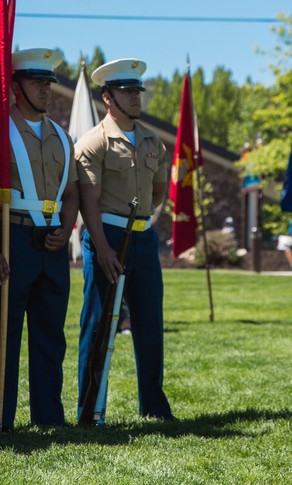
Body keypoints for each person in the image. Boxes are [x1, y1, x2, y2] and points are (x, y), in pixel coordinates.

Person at [0, 48, 79, 428]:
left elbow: (72, 195)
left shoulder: (63, 138)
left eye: (48, 83)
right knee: (4, 334)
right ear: (15, 87)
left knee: (51, 334)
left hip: (52, 244)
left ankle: (49, 417)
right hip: (11, 238)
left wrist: (66, 231)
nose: (45, 90)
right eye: (37, 82)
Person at [75, 57, 175, 422]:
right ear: (108, 97)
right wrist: (101, 247)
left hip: (143, 238)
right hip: (108, 235)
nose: (136, 97)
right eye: (127, 91)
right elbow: (88, 200)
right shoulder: (93, 142)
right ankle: (88, 409)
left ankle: (153, 406)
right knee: (98, 323)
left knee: (149, 324)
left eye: (137, 90)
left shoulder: (153, 141)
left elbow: (159, 192)